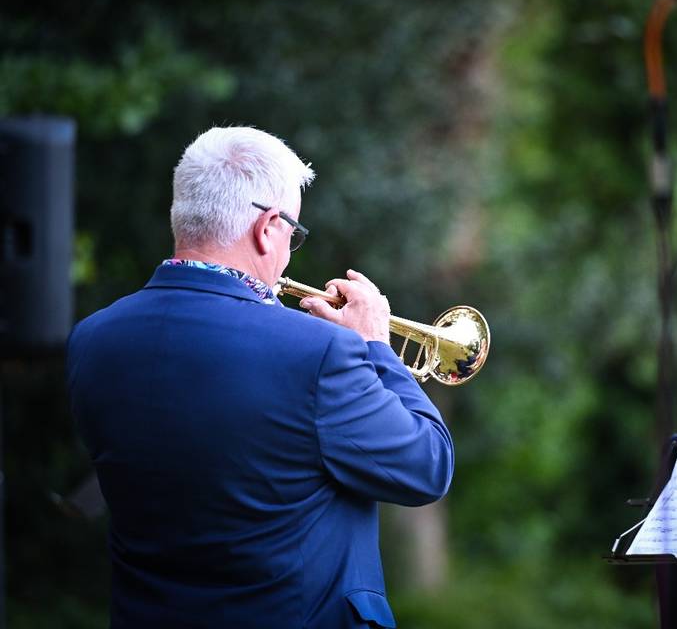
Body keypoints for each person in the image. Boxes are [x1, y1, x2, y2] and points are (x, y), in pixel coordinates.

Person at [66, 126, 454, 628]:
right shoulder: (322, 353)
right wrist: (376, 345)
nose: (291, 250)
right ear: (268, 227)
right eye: (294, 233)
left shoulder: (92, 340)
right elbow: (426, 465)